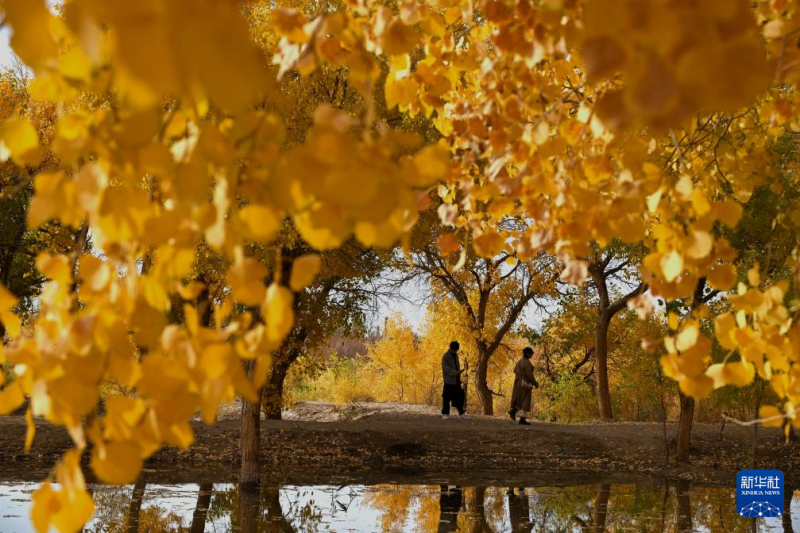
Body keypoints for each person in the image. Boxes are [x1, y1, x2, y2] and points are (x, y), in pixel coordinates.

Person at [509, 347, 538, 425]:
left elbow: (515, 371)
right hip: (524, 383)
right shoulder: (526, 362)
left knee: (519, 399)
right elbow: (530, 375)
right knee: (525, 400)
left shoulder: (520, 361)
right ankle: (520, 418)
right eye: (531, 353)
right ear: (528, 354)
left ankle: (514, 412)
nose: (532, 355)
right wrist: (535, 383)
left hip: (518, 382)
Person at [441, 341, 466, 419]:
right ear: (451, 348)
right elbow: (446, 369)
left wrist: (459, 372)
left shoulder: (455, 355)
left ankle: (461, 413)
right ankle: (445, 414)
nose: (455, 351)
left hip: (456, 379)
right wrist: (456, 372)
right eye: (455, 350)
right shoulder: (445, 357)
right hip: (449, 380)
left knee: (459, 397)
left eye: (456, 350)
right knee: (446, 398)